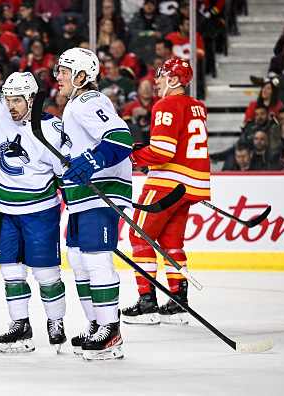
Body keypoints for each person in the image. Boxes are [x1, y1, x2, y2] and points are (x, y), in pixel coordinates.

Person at [0, 60, 68, 353]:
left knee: (47, 273)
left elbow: (64, 175)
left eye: (17, 100)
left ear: (32, 99)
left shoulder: (51, 128)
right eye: (8, 99)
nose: (11, 105)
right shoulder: (0, 109)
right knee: (11, 271)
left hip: (40, 212)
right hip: (5, 211)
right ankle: (19, 324)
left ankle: (55, 321)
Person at [54, 48, 133, 361]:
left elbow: (120, 138)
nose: (57, 76)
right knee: (78, 258)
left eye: (64, 71)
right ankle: (96, 323)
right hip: (82, 195)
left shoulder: (89, 101)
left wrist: (93, 159)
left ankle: (110, 331)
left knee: (96, 258)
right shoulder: (75, 104)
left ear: (81, 76)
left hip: (102, 191)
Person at [124, 58, 210, 326]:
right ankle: (178, 303)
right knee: (172, 243)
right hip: (190, 186)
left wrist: (135, 157)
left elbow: (162, 151)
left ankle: (147, 303)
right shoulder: (198, 107)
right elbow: (179, 149)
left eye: (161, 76)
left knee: (138, 236)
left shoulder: (166, 104)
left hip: (166, 186)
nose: (157, 81)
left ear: (173, 80)